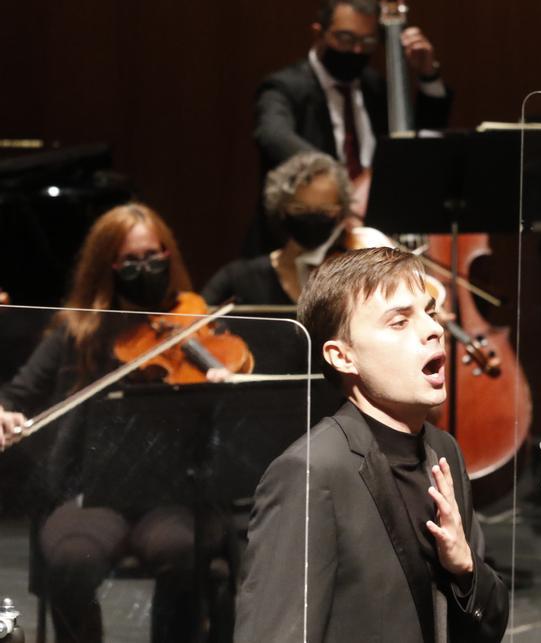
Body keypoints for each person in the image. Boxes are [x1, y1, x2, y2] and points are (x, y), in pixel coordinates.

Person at [234, 247, 508, 643]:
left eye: (429, 313)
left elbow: (489, 625)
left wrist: (465, 568)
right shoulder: (312, 472)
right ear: (342, 357)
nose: (432, 330)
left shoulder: (443, 451)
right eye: (399, 322)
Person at [0, 203, 237, 643]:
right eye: (131, 261)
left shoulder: (193, 324)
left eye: (154, 256)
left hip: (174, 493)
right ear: (107, 266)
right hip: (92, 493)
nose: (145, 268)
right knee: (68, 559)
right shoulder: (78, 331)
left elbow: (231, 424)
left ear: (169, 256)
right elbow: (16, 394)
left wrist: (221, 387)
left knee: (183, 551)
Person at [249, 0, 452, 250]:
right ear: (318, 32)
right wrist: (338, 182)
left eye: (367, 43)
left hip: (377, 237)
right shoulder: (284, 87)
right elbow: (272, 134)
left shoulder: (375, 87)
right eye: (345, 38)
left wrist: (427, 75)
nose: (356, 50)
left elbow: (419, 145)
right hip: (308, 238)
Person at [204, 152, 352, 307]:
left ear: (341, 213)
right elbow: (191, 319)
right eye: (299, 209)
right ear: (281, 210)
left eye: (326, 211)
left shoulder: (353, 277)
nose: (312, 220)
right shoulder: (240, 277)